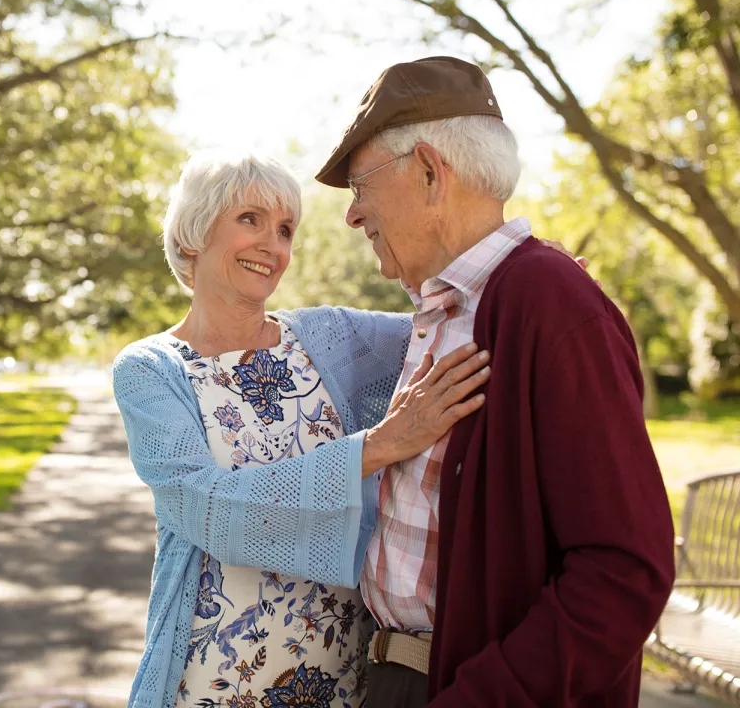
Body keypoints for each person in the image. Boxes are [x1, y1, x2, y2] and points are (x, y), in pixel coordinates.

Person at [312, 55, 676, 708]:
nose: (352, 214)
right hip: (398, 680)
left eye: (360, 184)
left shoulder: (550, 301)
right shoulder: (449, 307)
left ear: (429, 171)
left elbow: (623, 573)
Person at [112, 152, 493, 708]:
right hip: (212, 682)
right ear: (193, 234)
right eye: (250, 220)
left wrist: (518, 272)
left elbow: (457, 319)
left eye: (285, 229)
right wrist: (380, 445)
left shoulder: (330, 338)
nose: (273, 244)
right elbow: (205, 508)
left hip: (340, 679)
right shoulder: (150, 369)